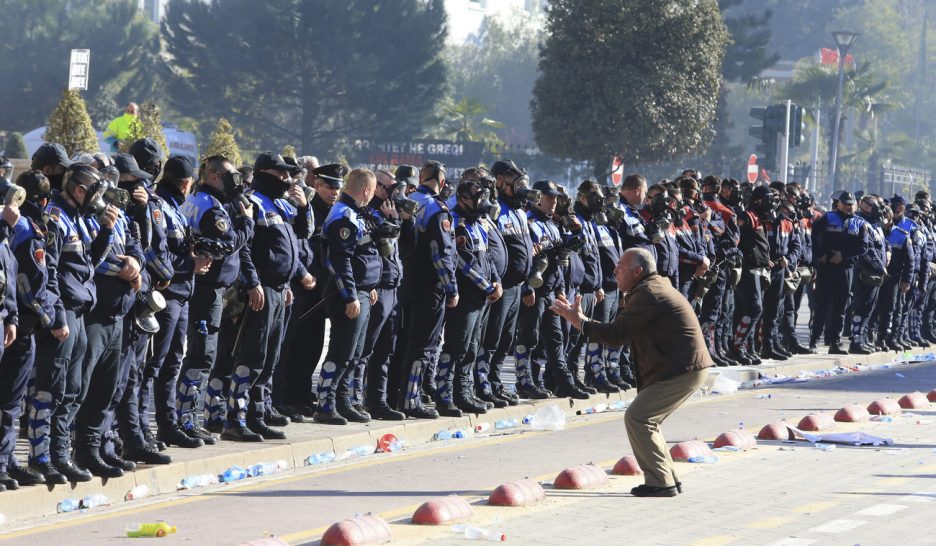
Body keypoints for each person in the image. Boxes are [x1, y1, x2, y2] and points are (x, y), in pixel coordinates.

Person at [550, 247, 711, 497]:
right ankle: (667, 478)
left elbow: (617, 335)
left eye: (620, 267)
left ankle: (661, 482)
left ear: (637, 271)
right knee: (647, 420)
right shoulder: (649, 287)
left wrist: (580, 322)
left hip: (682, 368)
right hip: (682, 366)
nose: (614, 271)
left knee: (639, 417)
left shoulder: (648, 293)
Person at [224, 153, 310, 440]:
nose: (286, 179)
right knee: (251, 355)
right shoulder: (252, 203)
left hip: (279, 289)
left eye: (288, 175)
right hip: (260, 290)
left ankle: (257, 414)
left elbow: (302, 234)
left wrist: (304, 206)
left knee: (269, 357)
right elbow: (244, 248)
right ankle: (235, 420)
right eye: (281, 174)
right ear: (264, 173)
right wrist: (251, 283)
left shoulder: (280, 204)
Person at [179, 156, 255, 433]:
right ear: (213, 177)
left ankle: (192, 417)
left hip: (210, 287)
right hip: (206, 289)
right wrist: (247, 224)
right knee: (202, 355)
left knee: (205, 353)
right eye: (229, 177)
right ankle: (186, 418)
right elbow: (227, 244)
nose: (235, 182)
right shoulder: (211, 209)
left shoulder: (202, 200)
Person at [314, 168, 380, 425]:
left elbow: (361, 256)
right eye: (372, 192)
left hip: (361, 291)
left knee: (354, 353)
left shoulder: (354, 213)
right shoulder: (344, 215)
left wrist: (368, 285)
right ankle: (325, 404)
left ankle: (343, 401)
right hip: (346, 294)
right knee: (341, 351)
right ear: (366, 190)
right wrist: (351, 295)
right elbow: (340, 261)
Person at [434, 176, 502, 416]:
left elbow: (489, 257)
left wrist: (496, 281)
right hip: (465, 295)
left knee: (472, 346)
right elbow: (462, 261)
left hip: (481, 297)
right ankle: (445, 395)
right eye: (477, 197)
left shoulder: (479, 223)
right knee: (457, 345)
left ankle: (465, 391)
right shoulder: (457, 223)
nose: (482, 202)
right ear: (463, 199)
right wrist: (487, 286)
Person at [395, 161, 456, 419]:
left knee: (404, 342)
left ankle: (394, 396)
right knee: (423, 346)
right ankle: (410, 400)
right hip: (429, 286)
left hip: (405, 280)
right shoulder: (436, 207)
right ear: (441, 181)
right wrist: (451, 288)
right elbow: (441, 253)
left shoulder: (409, 201)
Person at [0, 172, 48, 489]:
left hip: (7, 321)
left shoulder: (8, 235)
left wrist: (13, 318)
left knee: (9, 399)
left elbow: (12, 277)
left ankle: (5, 462)